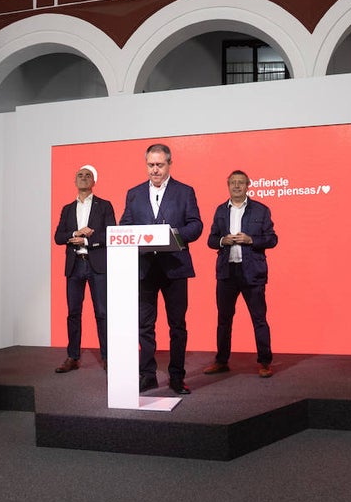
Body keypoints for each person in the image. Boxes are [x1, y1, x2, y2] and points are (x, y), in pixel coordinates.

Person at [119, 143, 203, 395]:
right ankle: (147, 375)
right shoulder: (133, 193)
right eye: (151, 165)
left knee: (177, 325)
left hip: (175, 268)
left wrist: (173, 235)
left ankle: (177, 377)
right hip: (144, 269)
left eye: (160, 165)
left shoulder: (185, 191)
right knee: (145, 326)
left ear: (169, 164)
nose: (155, 170)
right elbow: (125, 225)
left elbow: (196, 225)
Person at [202, 169, 278, 378]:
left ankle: (264, 362)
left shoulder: (261, 210)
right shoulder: (220, 211)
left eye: (241, 183)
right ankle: (221, 361)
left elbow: (272, 239)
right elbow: (210, 240)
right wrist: (221, 241)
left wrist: (251, 240)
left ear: (248, 185)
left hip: (252, 272)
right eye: (233, 183)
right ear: (228, 186)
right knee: (224, 319)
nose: (236, 186)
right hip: (227, 273)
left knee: (259, 319)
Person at [53, 166, 115, 374]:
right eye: (80, 175)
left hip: (96, 263)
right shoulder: (67, 209)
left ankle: (108, 357)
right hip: (74, 265)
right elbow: (59, 237)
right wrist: (75, 233)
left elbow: (110, 235)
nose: (83, 178)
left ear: (94, 181)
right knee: (73, 313)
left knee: (102, 312)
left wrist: (87, 240)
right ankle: (73, 357)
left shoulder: (104, 206)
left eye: (88, 175)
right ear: (75, 180)